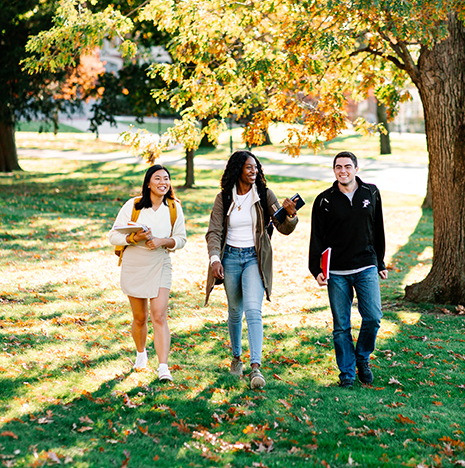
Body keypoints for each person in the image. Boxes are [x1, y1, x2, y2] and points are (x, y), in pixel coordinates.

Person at [206, 151, 299, 389]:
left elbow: (284, 228)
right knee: (235, 311)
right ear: (237, 169)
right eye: (249, 167)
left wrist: (290, 214)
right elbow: (214, 231)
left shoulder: (265, 195)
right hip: (230, 258)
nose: (253, 171)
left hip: (254, 259)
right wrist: (215, 259)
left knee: (253, 310)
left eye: (256, 167)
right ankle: (236, 359)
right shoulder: (224, 198)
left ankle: (256, 368)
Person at [309, 151, 388, 389]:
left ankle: (362, 358)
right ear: (334, 170)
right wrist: (316, 269)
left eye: (347, 166)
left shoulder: (371, 193)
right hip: (337, 272)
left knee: (373, 318)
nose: (343, 171)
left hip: (366, 265)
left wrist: (380, 262)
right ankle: (347, 374)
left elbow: (378, 229)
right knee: (341, 326)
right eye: (338, 167)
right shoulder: (324, 200)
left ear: (356, 168)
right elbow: (316, 237)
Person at [109, 165, 187, 381]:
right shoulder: (133, 205)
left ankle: (163, 367)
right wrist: (136, 238)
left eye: (167, 179)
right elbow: (113, 236)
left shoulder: (173, 208)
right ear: (149, 183)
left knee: (159, 315)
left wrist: (163, 241)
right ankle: (141, 353)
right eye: (158, 178)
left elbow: (181, 239)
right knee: (140, 317)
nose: (163, 182)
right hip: (135, 263)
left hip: (160, 262)